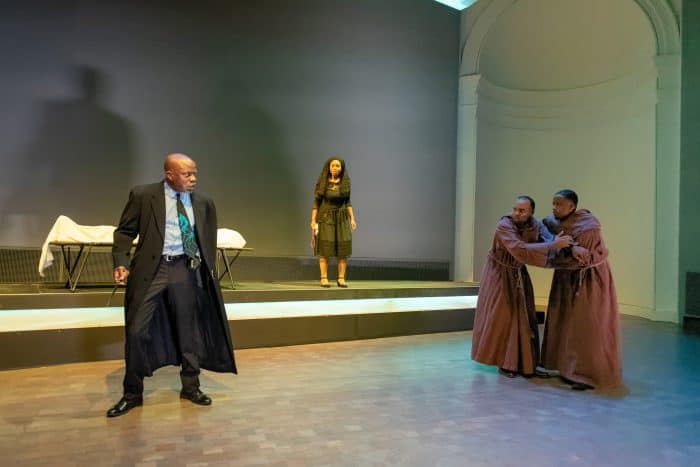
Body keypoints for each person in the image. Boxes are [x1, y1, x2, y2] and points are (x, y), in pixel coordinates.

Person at [107, 153, 237, 417]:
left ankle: (191, 386)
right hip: (152, 270)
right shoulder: (144, 196)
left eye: (194, 173)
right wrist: (121, 262)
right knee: (136, 331)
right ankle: (132, 394)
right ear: (169, 175)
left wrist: (203, 268)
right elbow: (124, 232)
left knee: (189, 330)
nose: (193, 179)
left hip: (184, 269)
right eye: (187, 174)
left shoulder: (203, 203)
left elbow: (207, 239)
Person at [471, 196, 573, 378]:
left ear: (531, 212)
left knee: (525, 317)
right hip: (499, 274)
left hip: (518, 272)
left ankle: (526, 364)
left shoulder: (534, 224)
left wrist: (557, 243)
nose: (517, 213)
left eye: (522, 210)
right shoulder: (504, 225)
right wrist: (552, 245)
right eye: (515, 209)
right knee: (504, 317)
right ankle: (505, 363)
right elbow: (519, 249)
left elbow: (548, 238)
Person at [540, 189, 622, 390]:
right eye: (553, 203)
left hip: (588, 281)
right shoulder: (552, 222)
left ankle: (585, 373)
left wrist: (559, 251)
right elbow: (544, 233)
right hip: (565, 281)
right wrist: (568, 248)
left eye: (559, 204)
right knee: (563, 322)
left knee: (585, 326)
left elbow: (582, 259)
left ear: (572, 207)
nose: (555, 208)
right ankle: (563, 367)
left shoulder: (588, 227)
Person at [310, 157, 357, 287]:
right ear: (329, 167)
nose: (335, 168)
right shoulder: (323, 182)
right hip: (326, 218)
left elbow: (348, 202)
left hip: (341, 219)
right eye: (333, 165)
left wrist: (352, 218)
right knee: (325, 249)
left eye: (338, 165)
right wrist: (312, 220)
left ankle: (341, 278)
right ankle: (324, 278)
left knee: (343, 250)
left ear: (341, 168)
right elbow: (316, 203)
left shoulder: (345, 183)